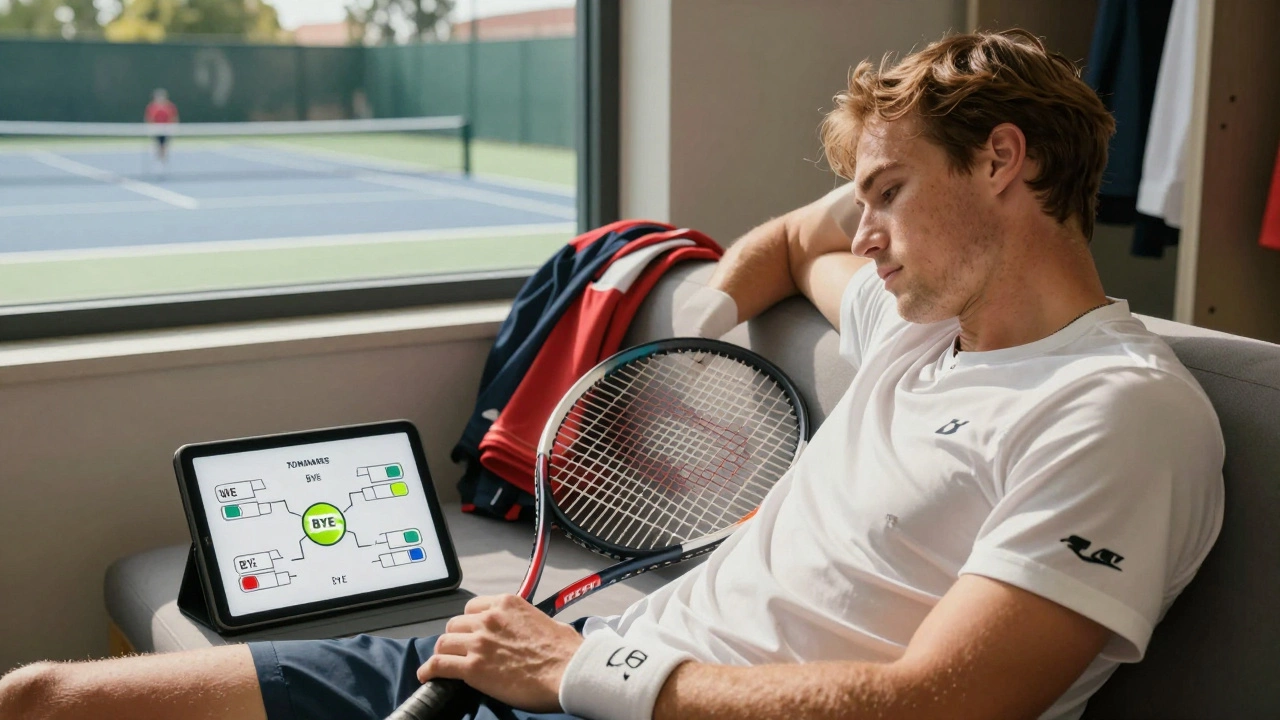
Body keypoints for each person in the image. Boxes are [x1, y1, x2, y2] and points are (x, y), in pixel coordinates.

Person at [0, 29, 1223, 720]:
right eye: (864, 202)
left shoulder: (1109, 413)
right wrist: (714, 316)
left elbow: (942, 706)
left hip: (595, 684)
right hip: (572, 660)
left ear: (1003, 159)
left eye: (888, 195)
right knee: (45, 695)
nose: (862, 237)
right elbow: (787, 240)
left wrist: (582, 669)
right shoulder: (912, 327)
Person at [144, 88, 179, 169]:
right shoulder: (151, 107)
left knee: (164, 145)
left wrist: (173, 127)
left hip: (166, 129)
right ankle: (158, 160)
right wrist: (150, 128)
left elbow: (174, 117)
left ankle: (163, 161)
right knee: (157, 145)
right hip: (156, 129)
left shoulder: (170, 106)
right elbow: (149, 118)